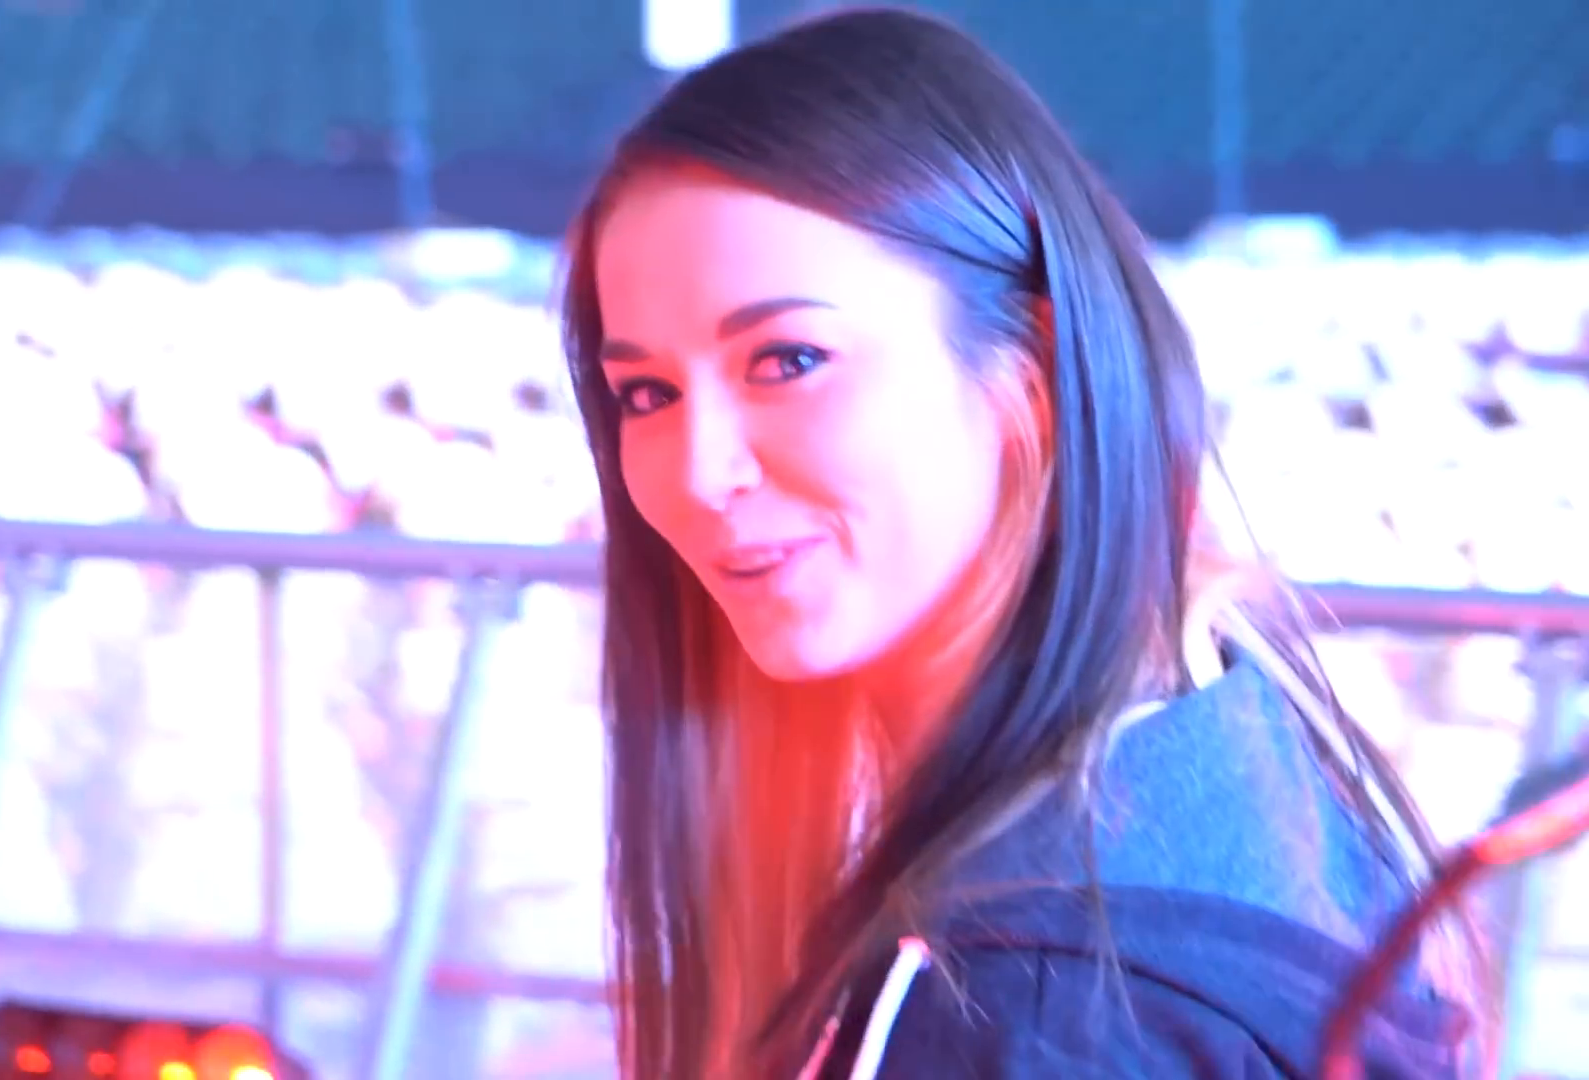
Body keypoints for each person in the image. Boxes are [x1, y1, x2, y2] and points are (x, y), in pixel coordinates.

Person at [557, 8, 1490, 1078]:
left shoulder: (1030, 1002)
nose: (696, 472)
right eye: (647, 393)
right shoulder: (1240, 742)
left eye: (787, 361)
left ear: (1032, 370)